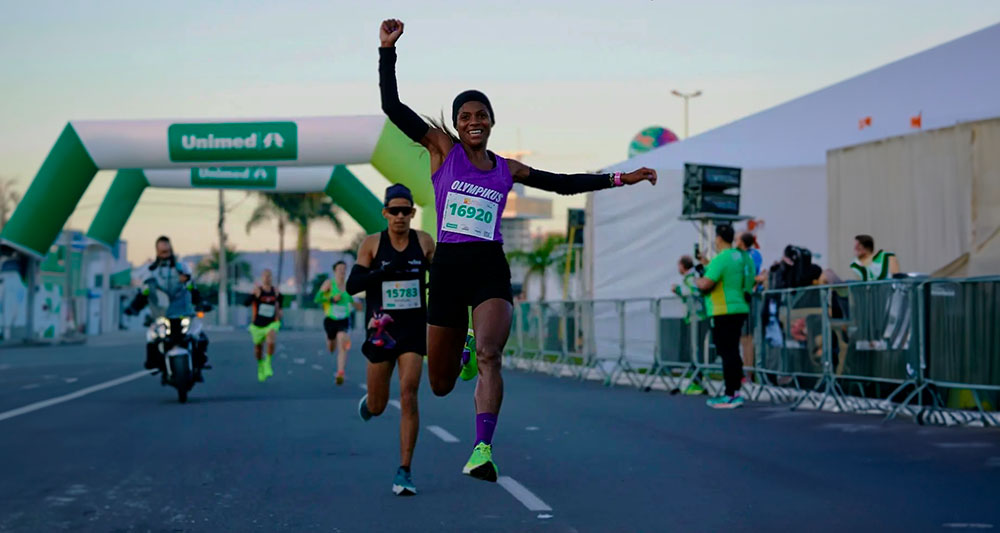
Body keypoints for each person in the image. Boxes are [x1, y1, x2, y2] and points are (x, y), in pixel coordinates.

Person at [378, 18, 657, 482]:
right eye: (465, 116)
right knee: (441, 385)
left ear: (491, 122)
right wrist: (387, 50)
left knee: (492, 354)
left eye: (480, 116)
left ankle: (482, 448)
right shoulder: (442, 150)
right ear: (457, 124)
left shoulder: (506, 168)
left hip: (488, 265)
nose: (473, 122)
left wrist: (618, 179)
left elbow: (563, 184)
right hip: (447, 268)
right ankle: (463, 347)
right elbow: (392, 107)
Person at [346, 183, 434, 496]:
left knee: (409, 393)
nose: (400, 216)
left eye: (406, 211)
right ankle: (370, 403)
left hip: (412, 330)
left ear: (412, 213)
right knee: (380, 404)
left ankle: (405, 470)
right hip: (381, 332)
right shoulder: (372, 244)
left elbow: (441, 281)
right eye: (394, 211)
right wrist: (384, 272)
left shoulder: (424, 242)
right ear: (385, 213)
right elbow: (352, 286)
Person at [126, 236, 209, 376]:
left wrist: (201, 302)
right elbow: (144, 292)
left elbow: (193, 289)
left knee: (199, 335)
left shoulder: (182, 268)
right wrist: (134, 307)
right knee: (151, 337)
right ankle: (154, 364)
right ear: (157, 252)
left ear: (171, 250)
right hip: (161, 315)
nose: (165, 254)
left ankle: (200, 362)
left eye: (167, 251)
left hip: (184, 312)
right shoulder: (150, 271)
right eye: (162, 252)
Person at [696, 224, 754, 409]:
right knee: (733, 350)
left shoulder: (721, 258)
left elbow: (706, 283)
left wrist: (697, 280)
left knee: (726, 351)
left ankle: (730, 394)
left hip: (723, 310)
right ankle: (735, 391)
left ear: (719, 239)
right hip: (740, 307)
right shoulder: (744, 258)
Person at [315, 261, 361, 385]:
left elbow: (357, 304)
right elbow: (317, 298)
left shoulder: (348, 286)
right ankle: (330, 340)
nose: (342, 271)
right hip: (330, 319)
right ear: (335, 271)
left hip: (344, 320)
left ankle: (340, 373)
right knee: (331, 346)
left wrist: (357, 304)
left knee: (342, 342)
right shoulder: (329, 284)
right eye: (340, 269)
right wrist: (331, 299)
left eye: (344, 269)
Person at [246, 269, 282, 383]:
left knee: (271, 338)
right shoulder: (258, 291)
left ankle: (268, 362)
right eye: (265, 276)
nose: (267, 278)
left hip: (271, 323)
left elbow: (280, 305)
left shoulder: (275, 292)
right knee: (258, 349)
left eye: (269, 276)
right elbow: (245, 303)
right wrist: (253, 295)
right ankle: (260, 365)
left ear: (272, 278)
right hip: (257, 324)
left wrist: (280, 313)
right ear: (262, 278)